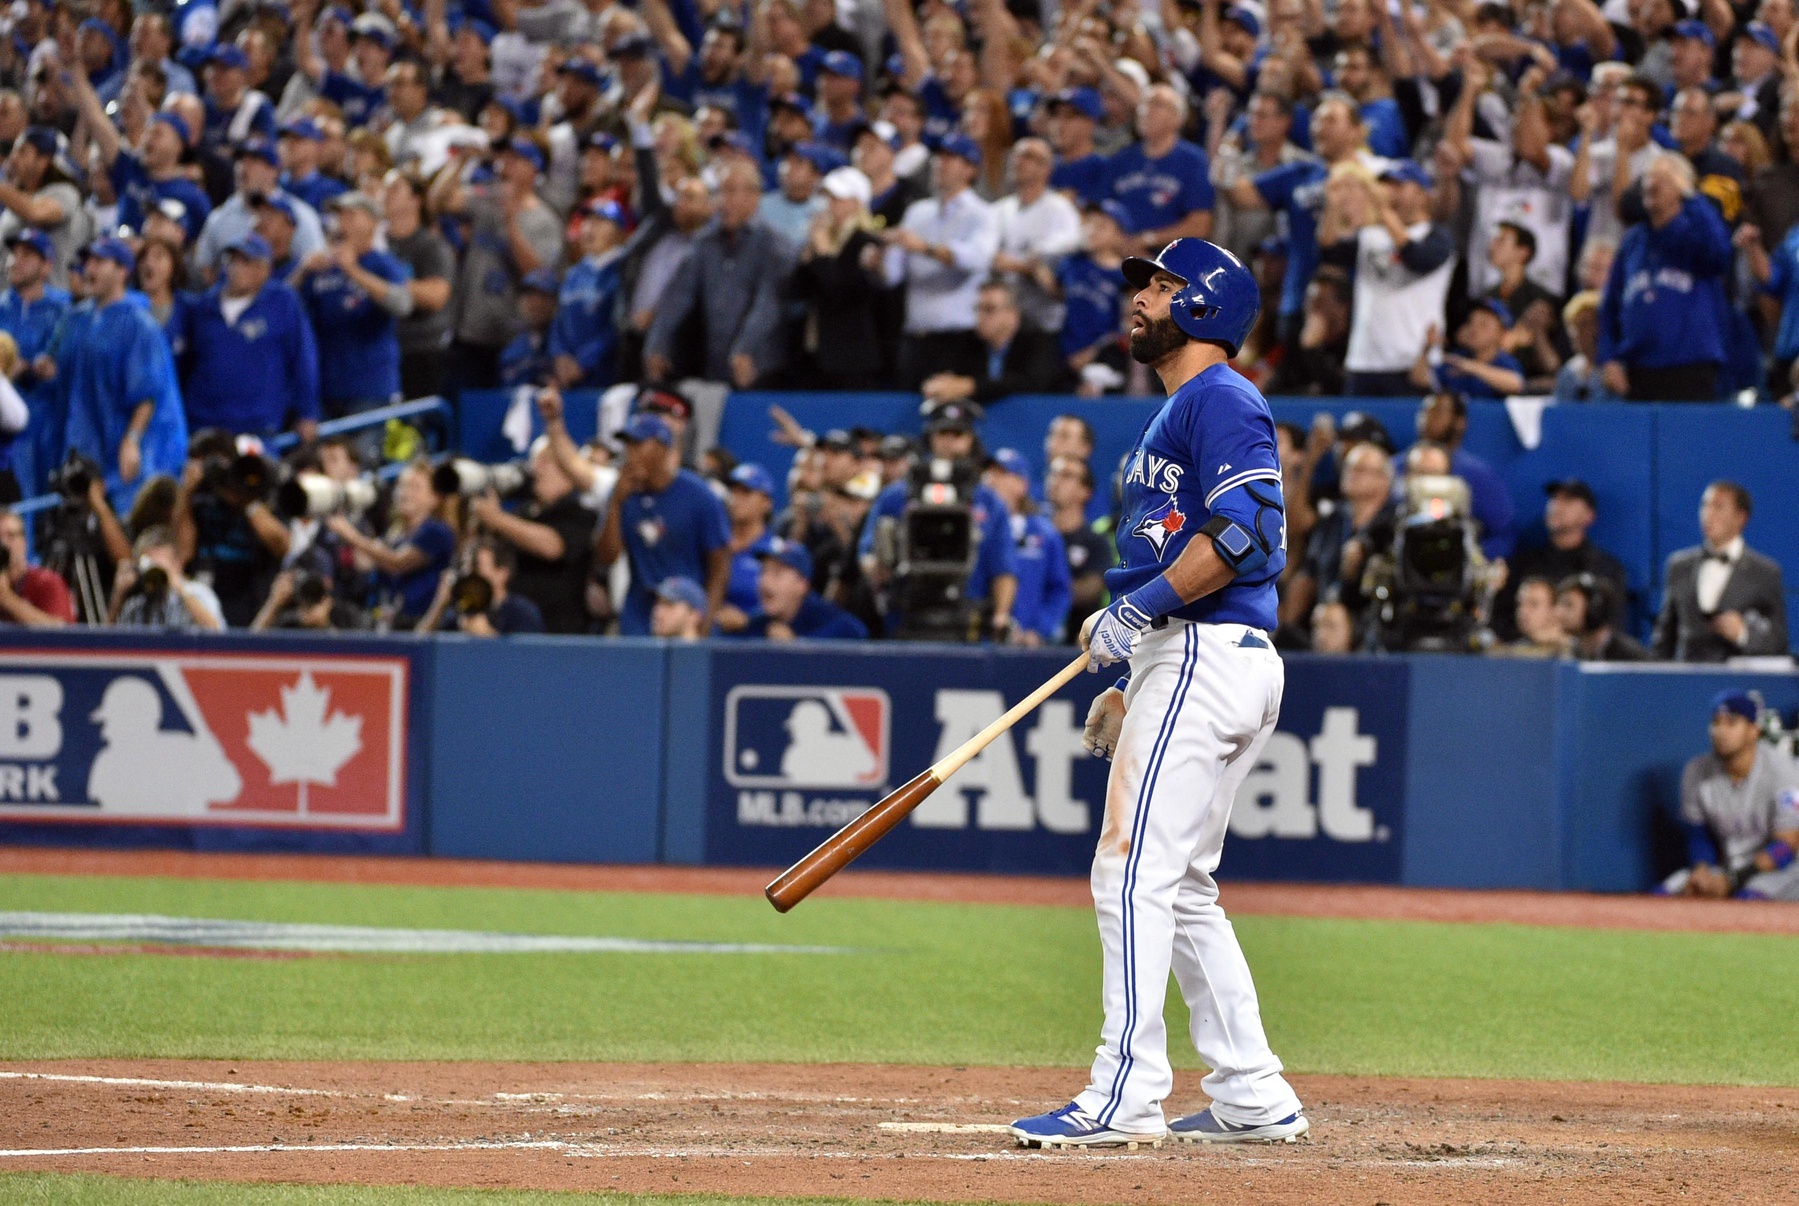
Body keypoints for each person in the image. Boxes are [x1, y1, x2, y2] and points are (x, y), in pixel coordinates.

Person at [1010, 239, 1305, 1149]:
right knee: (1180, 890)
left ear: (1207, 306)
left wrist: (1135, 616)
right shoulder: (1184, 405)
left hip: (1203, 651)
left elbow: (1250, 530)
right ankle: (1254, 1095)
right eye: (1144, 281)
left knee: (1130, 870)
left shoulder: (1220, 396)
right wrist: (1140, 677)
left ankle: (1123, 1094)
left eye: (1163, 283)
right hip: (1199, 656)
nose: (1140, 294)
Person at [858, 400, 1018, 642]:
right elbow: (869, 553)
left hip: (966, 614)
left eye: (958, 433)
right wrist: (880, 567)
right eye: (943, 432)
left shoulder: (988, 501)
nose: (949, 440)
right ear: (930, 437)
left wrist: (1001, 616)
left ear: (971, 439)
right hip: (907, 611)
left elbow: (1003, 568)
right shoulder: (896, 496)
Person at [60, 237, 188, 512]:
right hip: (95, 450)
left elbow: (147, 393)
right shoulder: (81, 319)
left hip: (138, 452)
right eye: (87, 261)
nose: (89, 269)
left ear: (122, 271)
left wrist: (132, 440)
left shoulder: (140, 324)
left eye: (99, 261)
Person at [643, 159, 791, 388]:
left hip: (760, 369)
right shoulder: (705, 243)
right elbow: (678, 296)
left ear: (754, 196)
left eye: (731, 191)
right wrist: (657, 344)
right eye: (720, 192)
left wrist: (746, 351)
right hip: (715, 368)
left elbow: (768, 305)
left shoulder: (775, 245)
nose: (723, 201)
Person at [1597, 155, 1733, 402]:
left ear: (1681, 187)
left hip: (1690, 367)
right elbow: (1609, 308)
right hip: (1637, 369)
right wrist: (1608, 359)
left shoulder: (1695, 233)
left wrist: (1693, 199)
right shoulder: (1633, 240)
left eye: (1663, 178)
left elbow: (1720, 255)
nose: (1652, 183)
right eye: (1649, 176)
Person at [595, 412, 731, 636]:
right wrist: (616, 504)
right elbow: (606, 557)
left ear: (662, 448)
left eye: (638, 444)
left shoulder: (699, 496)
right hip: (641, 610)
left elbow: (720, 567)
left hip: (687, 609)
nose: (631, 453)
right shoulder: (623, 494)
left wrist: (705, 619)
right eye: (628, 445)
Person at [173, 233, 318, 439]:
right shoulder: (203, 307)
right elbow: (185, 363)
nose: (237, 268)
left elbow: (303, 359)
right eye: (233, 261)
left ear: (265, 269)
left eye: (246, 262)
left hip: (257, 426)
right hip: (203, 424)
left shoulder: (282, 302)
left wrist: (308, 413)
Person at [882, 134, 999, 388]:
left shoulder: (983, 213)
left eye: (950, 158)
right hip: (915, 338)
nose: (940, 163)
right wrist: (878, 258)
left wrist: (924, 248)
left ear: (970, 168)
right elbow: (891, 276)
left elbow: (977, 258)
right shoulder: (917, 212)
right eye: (939, 157)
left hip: (959, 340)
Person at [1660, 690, 1799, 900]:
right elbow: (1698, 835)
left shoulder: (1784, 770)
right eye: (1716, 722)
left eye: (1731, 723)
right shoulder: (1696, 770)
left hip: (1782, 872)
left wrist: (1732, 881)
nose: (1720, 731)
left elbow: (1787, 845)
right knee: (1662, 895)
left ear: (1754, 730)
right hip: (1727, 869)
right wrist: (1702, 870)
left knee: (1747, 900)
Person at [297, 191, 412, 422]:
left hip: (371, 387)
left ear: (372, 222)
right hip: (327, 386)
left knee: (361, 456)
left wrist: (353, 271)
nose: (342, 222)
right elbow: (286, 310)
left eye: (351, 215)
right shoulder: (322, 267)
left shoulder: (382, 263)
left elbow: (403, 305)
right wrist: (301, 272)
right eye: (339, 215)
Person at [467, 437, 597, 635]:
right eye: (535, 461)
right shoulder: (522, 513)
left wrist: (498, 520)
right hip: (509, 627)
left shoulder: (580, 513)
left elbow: (553, 546)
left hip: (557, 634)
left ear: (569, 470)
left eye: (546, 462)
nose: (537, 469)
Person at [1652, 481, 1788, 662]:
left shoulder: (1765, 572)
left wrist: (1743, 633)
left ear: (1741, 517)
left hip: (1738, 681)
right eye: (1705, 505)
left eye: (1718, 507)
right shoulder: (1678, 566)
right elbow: (1664, 638)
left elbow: (1779, 641)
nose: (1708, 514)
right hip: (1687, 680)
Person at [325, 459, 455, 630]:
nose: (405, 493)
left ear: (434, 498)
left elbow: (397, 562)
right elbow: (364, 563)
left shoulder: (437, 531)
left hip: (425, 627)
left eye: (415, 487)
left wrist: (350, 534)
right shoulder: (395, 536)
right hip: (392, 624)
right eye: (402, 486)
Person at [1496, 479, 1628, 640]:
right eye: (1554, 499)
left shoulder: (1606, 569)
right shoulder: (1523, 564)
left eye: (1568, 500)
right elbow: (1501, 620)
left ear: (1589, 516)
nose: (1556, 506)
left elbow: (1610, 629)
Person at [921, 278, 1072, 404]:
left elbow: (1031, 382)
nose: (980, 316)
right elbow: (943, 373)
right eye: (977, 309)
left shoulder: (1037, 342)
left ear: (1013, 315)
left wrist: (971, 387)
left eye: (989, 309)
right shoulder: (967, 341)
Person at [1411, 392, 1515, 562]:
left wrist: (1468, 558)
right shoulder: (1397, 467)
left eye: (1438, 411)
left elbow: (1504, 534)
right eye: (1425, 411)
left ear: (1460, 422)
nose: (1428, 418)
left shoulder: (1478, 476)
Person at [985, 448, 1070, 647]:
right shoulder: (975, 528)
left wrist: (1039, 629)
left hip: (1027, 643)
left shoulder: (1044, 533)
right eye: (991, 473)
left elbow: (1059, 589)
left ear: (1022, 484)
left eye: (1003, 474)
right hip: (979, 637)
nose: (992, 480)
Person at [548, 198, 626, 388]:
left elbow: (617, 327)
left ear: (617, 231)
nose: (590, 228)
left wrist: (584, 362)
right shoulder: (574, 273)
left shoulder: (623, 269)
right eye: (587, 221)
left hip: (605, 376)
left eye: (600, 222)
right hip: (568, 376)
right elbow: (559, 321)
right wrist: (559, 356)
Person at [742, 537, 867, 639]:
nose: (765, 581)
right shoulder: (758, 621)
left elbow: (857, 631)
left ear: (802, 584)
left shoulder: (824, 617)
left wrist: (799, 645)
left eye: (777, 573)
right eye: (763, 572)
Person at [1046, 454, 1111, 641]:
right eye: (1052, 473)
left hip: (1074, 645)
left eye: (1066, 476)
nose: (1055, 481)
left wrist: (1045, 590)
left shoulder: (1095, 541)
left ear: (1085, 491)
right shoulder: (1034, 535)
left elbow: (1092, 590)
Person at [423, 536, 546, 636]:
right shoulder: (460, 610)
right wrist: (439, 603)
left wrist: (486, 635)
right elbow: (419, 649)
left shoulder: (522, 612)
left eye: (476, 567)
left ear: (502, 573)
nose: (469, 576)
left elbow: (528, 658)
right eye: (465, 568)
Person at [109, 524, 224, 630]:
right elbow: (106, 643)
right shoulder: (136, 602)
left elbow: (217, 632)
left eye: (161, 566)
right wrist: (119, 595)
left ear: (178, 564)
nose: (156, 573)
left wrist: (181, 591)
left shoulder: (198, 592)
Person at [718, 461, 776, 633]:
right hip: (709, 644)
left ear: (766, 503)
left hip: (757, 646)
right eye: (734, 491)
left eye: (746, 492)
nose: (737, 499)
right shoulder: (714, 546)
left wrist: (749, 620)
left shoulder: (774, 553)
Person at [0, 505, 71, 625]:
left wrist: (6, 598)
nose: (3, 543)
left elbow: (63, 632)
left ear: (24, 542)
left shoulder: (47, 582)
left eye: (11, 535)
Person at [1555, 573, 1648, 661]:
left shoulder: (1632, 658)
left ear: (1593, 610)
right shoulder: (1570, 653)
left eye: (1568, 605)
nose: (1558, 612)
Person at [1491, 575, 1571, 658]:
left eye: (1533, 604)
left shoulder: (1573, 648)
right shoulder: (1513, 650)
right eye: (1519, 604)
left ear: (1554, 609)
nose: (1522, 611)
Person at [649, 574, 708, 639]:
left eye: (669, 604)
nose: (657, 611)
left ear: (695, 615)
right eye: (657, 603)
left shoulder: (715, 649)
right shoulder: (645, 648)